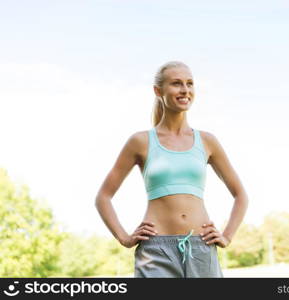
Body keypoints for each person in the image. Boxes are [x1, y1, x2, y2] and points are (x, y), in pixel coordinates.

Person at [95, 61, 249, 278]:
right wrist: (124, 237)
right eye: (176, 84)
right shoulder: (140, 142)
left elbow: (241, 195)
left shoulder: (207, 141)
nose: (185, 90)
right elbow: (103, 197)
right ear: (158, 91)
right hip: (155, 251)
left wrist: (227, 236)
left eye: (190, 84)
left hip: (201, 247)